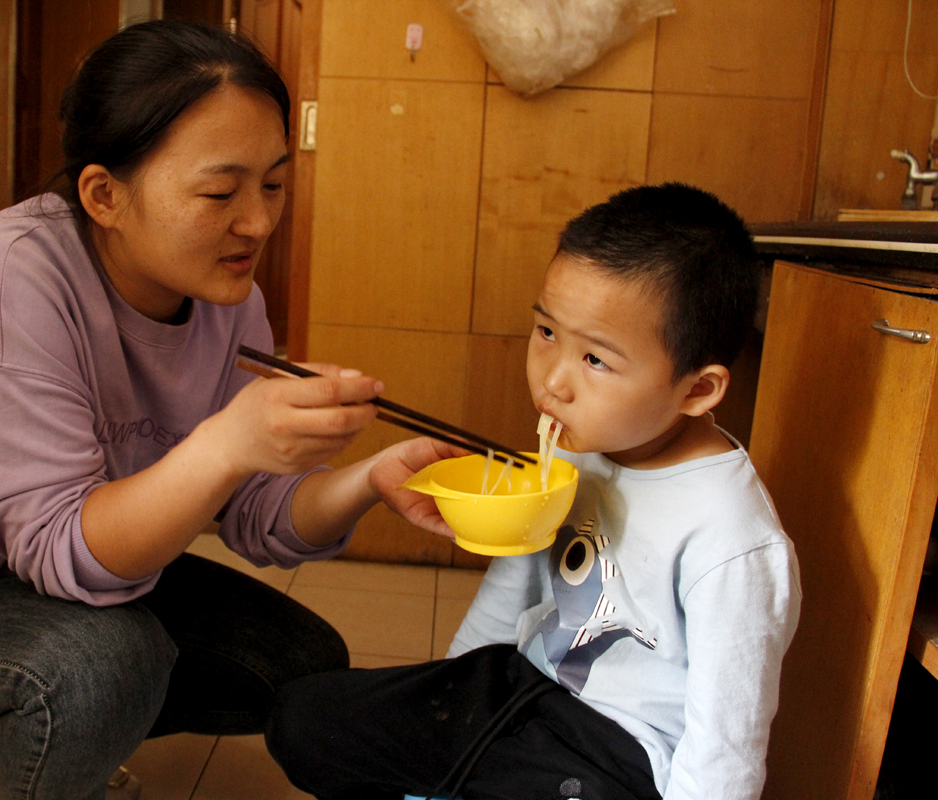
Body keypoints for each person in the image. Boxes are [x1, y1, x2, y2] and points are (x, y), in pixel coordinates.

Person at [0, 20, 458, 800]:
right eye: (221, 191)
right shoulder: (11, 280)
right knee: (103, 662)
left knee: (301, 667)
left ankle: (67, 724)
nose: (256, 221)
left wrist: (368, 478)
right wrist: (226, 442)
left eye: (275, 183)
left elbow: (257, 516)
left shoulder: (228, 296)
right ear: (104, 194)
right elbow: (60, 551)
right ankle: (56, 741)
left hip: (64, 589)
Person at [265, 183, 802, 800]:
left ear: (697, 389)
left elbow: (726, 744)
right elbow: (511, 589)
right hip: (517, 687)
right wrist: (449, 696)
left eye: (596, 360)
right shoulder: (581, 446)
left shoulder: (731, 539)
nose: (552, 380)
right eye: (546, 332)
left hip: (618, 752)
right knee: (304, 718)